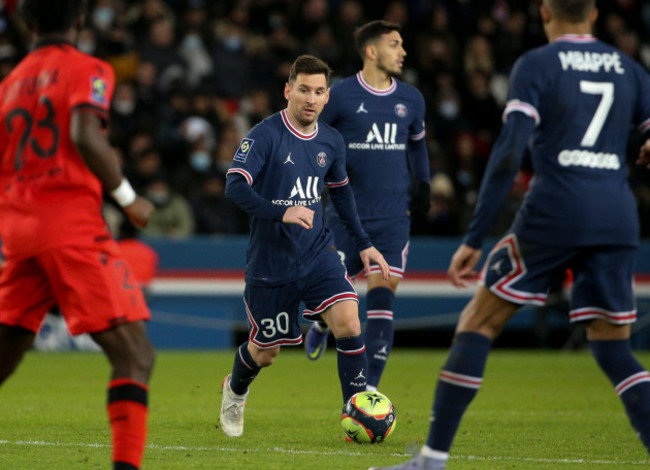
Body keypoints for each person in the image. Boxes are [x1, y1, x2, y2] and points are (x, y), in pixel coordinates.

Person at [370, 1, 650, 469]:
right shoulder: (630, 69)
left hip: (556, 207)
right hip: (616, 213)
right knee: (613, 346)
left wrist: (475, 236)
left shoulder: (537, 64)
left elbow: (508, 152)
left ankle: (432, 459)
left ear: (543, 12)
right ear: (595, 13)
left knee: (479, 321)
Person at [0, 2, 155, 469]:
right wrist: (129, 198)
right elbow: (86, 134)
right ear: (81, 20)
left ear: (29, 22)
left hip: (19, 229)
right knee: (136, 355)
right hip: (69, 225)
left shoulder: (8, 85)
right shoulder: (88, 69)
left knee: (5, 356)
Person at [220, 54, 390, 437]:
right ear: (288, 91)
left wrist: (363, 243)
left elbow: (342, 194)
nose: (310, 99)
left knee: (348, 320)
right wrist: (281, 212)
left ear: (327, 96)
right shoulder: (264, 135)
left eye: (318, 92)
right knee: (266, 353)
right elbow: (234, 186)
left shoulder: (331, 141)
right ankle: (235, 389)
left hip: (318, 254)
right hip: (271, 262)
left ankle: (355, 415)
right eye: (303, 90)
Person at [304, 20, 430, 392]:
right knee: (335, 300)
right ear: (372, 51)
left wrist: (422, 184)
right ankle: (322, 323)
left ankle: (369, 392)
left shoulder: (411, 99)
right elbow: (314, 140)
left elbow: (419, 144)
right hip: (347, 218)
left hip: (393, 218)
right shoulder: (340, 96)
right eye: (395, 44)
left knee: (381, 302)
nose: (403, 51)